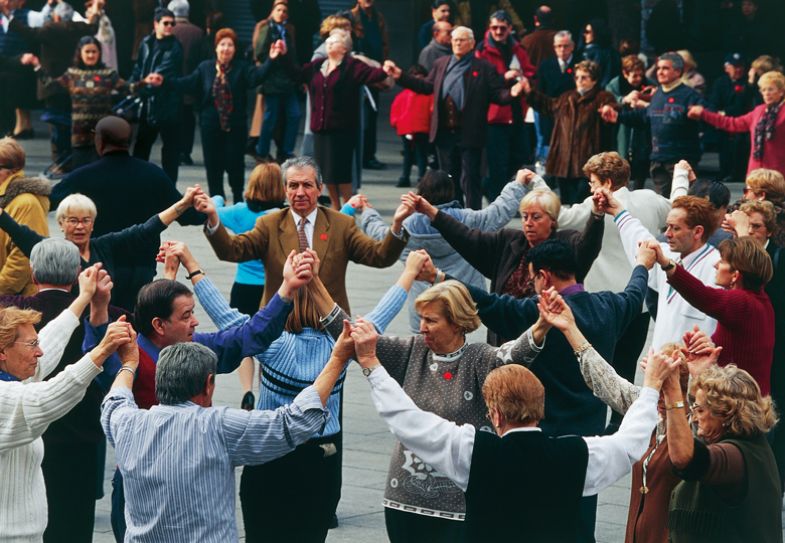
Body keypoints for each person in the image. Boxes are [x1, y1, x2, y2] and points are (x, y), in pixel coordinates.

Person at [164, 242, 416, 542]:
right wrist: (409, 274)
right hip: (323, 457)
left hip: (270, 454)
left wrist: (191, 263)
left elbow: (224, 314)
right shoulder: (342, 344)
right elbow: (382, 312)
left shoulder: (273, 345)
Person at [348, 314, 677, 542]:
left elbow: (408, 421)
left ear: (493, 412)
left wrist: (371, 366)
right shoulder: (578, 453)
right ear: (541, 407)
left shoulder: (472, 450)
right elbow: (630, 442)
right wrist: (651, 387)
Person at [91, 248, 317, 541]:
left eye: (193, 313)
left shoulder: (195, 346)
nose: (195, 322)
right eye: (186, 316)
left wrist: (286, 289)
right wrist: (98, 311)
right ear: (159, 325)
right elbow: (96, 362)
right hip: (140, 483)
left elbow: (247, 337)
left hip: (193, 483)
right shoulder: (129, 355)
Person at [310, 269, 542, 542]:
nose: (422, 327)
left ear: (456, 323)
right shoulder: (411, 351)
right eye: (421, 318)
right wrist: (313, 281)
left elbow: (516, 354)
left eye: (431, 320)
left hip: (460, 508)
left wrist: (543, 325)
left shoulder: (480, 359)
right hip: (404, 502)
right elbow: (348, 333)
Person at [101, 329, 354, 542]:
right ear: (208, 384)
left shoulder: (127, 423)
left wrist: (129, 363)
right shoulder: (218, 426)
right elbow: (294, 422)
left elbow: (114, 400)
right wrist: (337, 360)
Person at [0, 241, 126, 543]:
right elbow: (51, 395)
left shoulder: (15, 376)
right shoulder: (8, 398)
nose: (40, 352)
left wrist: (83, 299)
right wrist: (101, 352)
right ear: (3, 352)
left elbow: (51, 340)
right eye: (32, 346)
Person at [199, 156, 410, 313]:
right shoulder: (269, 224)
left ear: (320, 189)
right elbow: (232, 251)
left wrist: (397, 224)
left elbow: (380, 256)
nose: (300, 192)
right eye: (293, 185)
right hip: (279, 329)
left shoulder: (341, 225)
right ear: (285, 190)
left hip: (327, 327)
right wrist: (213, 219)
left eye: (307, 185)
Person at [426, 182, 603, 344]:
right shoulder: (508, 241)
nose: (528, 223)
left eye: (536, 217)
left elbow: (588, 246)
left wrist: (596, 215)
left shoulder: (567, 245)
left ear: (553, 220)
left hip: (549, 340)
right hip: (505, 340)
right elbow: (468, 238)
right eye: (525, 217)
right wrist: (433, 214)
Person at [359, 169, 530, 332]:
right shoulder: (467, 220)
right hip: (463, 304)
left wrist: (367, 211)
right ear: (451, 191)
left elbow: (381, 234)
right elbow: (498, 212)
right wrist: (517, 184)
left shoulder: (407, 227)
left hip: (424, 309)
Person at [383, 26, 525, 210]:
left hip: (470, 133)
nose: (457, 43)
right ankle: (454, 217)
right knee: (450, 178)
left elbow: (497, 95)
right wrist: (400, 76)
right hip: (444, 133)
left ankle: (473, 219)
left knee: (470, 179)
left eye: (462, 40)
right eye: (455, 39)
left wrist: (512, 93)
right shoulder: (441, 63)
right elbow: (426, 86)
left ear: (472, 43)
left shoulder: (483, 68)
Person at [0, 189, 199, 311]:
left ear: (93, 224)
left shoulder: (105, 245)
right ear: (60, 223)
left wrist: (182, 205)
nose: (79, 226)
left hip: (104, 321)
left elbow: (146, 230)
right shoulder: (52, 251)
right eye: (72, 221)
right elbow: (17, 231)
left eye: (85, 220)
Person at [271, 31, 390, 208]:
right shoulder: (318, 65)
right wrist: (283, 55)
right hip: (321, 130)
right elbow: (296, 74)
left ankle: (349, 208)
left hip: (341, 130)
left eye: (333, 42)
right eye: (327, 41)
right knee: (326, 174)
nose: (328, 44)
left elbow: (373, 75)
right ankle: (336, 208)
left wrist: (386, 70)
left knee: (341, 174)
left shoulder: (352, 66)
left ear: (344, 48)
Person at [663, 364, 782, 541]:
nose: (694, 418)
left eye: (700, 410)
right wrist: (699, 373)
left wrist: (671, 392)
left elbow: (686, 459)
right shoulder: (750, 444)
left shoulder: (737, 457)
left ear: (725, 413)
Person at [649, 236, 774, 394]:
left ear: (735, 275)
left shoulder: (742, 302)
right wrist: (708, 346)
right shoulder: (760, 300)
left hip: (739, 402)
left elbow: (703, 295)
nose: (715, 265)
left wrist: (666, 264)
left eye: (722, 261)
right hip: (748, 398)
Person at [48, 116, 205, 237]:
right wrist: (211, 207)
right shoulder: (153, 174)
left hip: (98, 263)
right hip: (142, 265)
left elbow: (47, 202)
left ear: (100, 141)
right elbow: (187, 216)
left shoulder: (82, 176)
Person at [603, 190, 721, 349]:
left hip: (699, 368)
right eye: (667, 227)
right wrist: (618, 211)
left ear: (698, 231)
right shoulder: (668, 254)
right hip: (660, 364)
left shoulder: (718, 267)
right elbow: (638, 237)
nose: (667, 234)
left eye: (675, 228)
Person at [168, 28, 272, 202]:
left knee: (235, 164)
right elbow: (187, 83)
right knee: (213, 165)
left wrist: (272, 59)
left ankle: (238, 198)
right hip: (210, 125)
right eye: (222, 44)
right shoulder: (205, 68)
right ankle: (217, 200)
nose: (226, 48)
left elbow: (257, 77)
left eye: (230, 45)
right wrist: (165, 82)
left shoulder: (242, 68)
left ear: (235, 49)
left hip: (236, 126)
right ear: (216, 48)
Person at [22, 37, 151, 168]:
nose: (91, 55)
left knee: (102, 173)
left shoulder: (108, 74)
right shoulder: (72, 74)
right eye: (87, 51)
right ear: (80, 53)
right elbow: (50, 85)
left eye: (94, 52)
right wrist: (37, 66)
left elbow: (129, 88)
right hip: (80, 135)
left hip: (103, 135)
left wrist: (145, 82)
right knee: (81, 174)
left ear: (99, 53)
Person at [8, 1, 101, 174]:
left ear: (56, 16)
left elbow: (26, 32)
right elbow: (93, 27)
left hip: (52, 85)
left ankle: (60, 162)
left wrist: (7, 15)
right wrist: (96, 10)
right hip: (74, 83)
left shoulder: (50, 29)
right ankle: (74, 160)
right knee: (74, 123)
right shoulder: (79, 28)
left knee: (57, 126)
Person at [601, 52, 704, 195]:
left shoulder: (690, 96)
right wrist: (618, 117)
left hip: (681, 161)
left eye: (665, 68)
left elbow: (706, 117)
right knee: (663, 207)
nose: (660, 72)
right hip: (658, 161)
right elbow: (644, 116)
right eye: (658, 68)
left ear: (678, 71)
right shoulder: (658, 94)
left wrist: (699, 114)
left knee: (683, 206)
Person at [520, 59, 616, 204]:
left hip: (588, 165)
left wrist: (610, 108)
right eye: (577, 77)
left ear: (594, 80)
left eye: (584, 77)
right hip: (564, 163)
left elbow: (613, 107)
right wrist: (529, 92)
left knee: (584, 204)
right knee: (566, 202)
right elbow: (548, 105)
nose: (579, 81)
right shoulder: (567, 97)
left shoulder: (602, 97)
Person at [476, 10, 535, 201]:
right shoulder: (482, 50)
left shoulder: (518, 49)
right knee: (498, 163)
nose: (498, 31)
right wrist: (504, 77)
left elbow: (531, 71)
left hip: (518, 112)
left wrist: (527, 80)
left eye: (502, 28)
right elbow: (481, 80)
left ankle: (490, 188)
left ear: (510, 28)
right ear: (489, 28)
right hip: (495, 115)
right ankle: (497, 201)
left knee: (520, 157)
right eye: (494, 27)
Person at [689, 70, 785, 178]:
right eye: (763, 90)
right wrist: (704, 114)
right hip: (755, 173)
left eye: (771, 89)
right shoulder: (759, 111)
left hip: (779, 175)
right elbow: (732, 123)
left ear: (781, 91)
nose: (766, 93)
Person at [129, 7, 183, 183]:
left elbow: (161, 75)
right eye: (165, 23)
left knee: (170, 152)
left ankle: (169, 190)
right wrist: (133, 84)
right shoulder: (146, 43)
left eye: (172, 23)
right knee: (141, 148)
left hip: (168, 105)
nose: (169, 27)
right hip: (148, 103)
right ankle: (136, 183)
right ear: (156, 24)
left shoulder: (175, 47)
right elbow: (139, 68)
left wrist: (142, 85)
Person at [0, 136, 50, 296]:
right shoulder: (6, 197)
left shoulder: (25, 203)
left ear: (11, 171)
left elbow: (21, 261)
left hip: (19, 302)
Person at [252, 1, 300, 163]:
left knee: (294, 114)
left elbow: (293, 56)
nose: (281, 13)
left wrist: (286, 55)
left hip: (287, 80)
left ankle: (285, 151)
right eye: (278, 10)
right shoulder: (266, 28)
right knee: (270, 118)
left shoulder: (288, 30)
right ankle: (262, 151)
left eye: (284, 11)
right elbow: (258, 53)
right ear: (272, 11)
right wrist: (273, 56)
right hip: (271, 80)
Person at [350, 0, 390, 171]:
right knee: (361, 116)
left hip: (375, 71)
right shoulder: (351, 17)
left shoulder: (378, 17)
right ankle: (359, 155)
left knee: (372, 114)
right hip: (358, 71)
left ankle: (369, 155)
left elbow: (384, 44)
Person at [706, 52, 756, 184]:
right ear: (726, 68)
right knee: (724, 147)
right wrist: (716, 113)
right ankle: (725, 172)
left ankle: (737, 174)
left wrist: (726, 112)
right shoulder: (721, 83)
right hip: (723, 124)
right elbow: (713, 102)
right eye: (735, 67)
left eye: (740, 66)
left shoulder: (748, 83)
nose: (738, 70)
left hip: (742, 123)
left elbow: (743, 106)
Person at [605, 55, 653, 189]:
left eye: (640, 75)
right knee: (621, 157)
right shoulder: (615, 84)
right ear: (625, 74)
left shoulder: (648, 83)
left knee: (642, 159)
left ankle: (639, 187)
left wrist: (643, 102)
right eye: (634, 75)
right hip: (621, 127)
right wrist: (623, 99)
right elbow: (608, 98)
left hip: (642, 128)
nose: (638, 79)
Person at [167, 0, 204, 167]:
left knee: (173, 119)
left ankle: (174, 149)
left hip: (170, 84)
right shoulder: (198, 32)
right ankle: (186, 153)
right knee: (188, 120)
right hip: (191, 82)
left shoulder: (168, 30)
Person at [533, 30, 576, 172]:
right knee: (549, 147)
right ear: (554, 47)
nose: (562, 50)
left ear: (572, 46)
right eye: (558, 46)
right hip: (550, 113)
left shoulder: (580, 64)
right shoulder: (546, 65)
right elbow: (540, 91)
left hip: (573, 114)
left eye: (565, 46)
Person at [389, 64, 432, 188]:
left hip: (416, 129)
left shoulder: (406, 95)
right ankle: (416, 177)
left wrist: (396, 122)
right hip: (414, 128)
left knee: (417, 154)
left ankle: (412, 177)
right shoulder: (427, 95)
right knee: (415, 154)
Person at [578, 18, 619, 88]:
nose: (584, 34)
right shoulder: (581, 51)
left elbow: (608, 74)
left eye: (587, 32)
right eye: (584, 32)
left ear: (597, 33)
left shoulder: (608, 53)